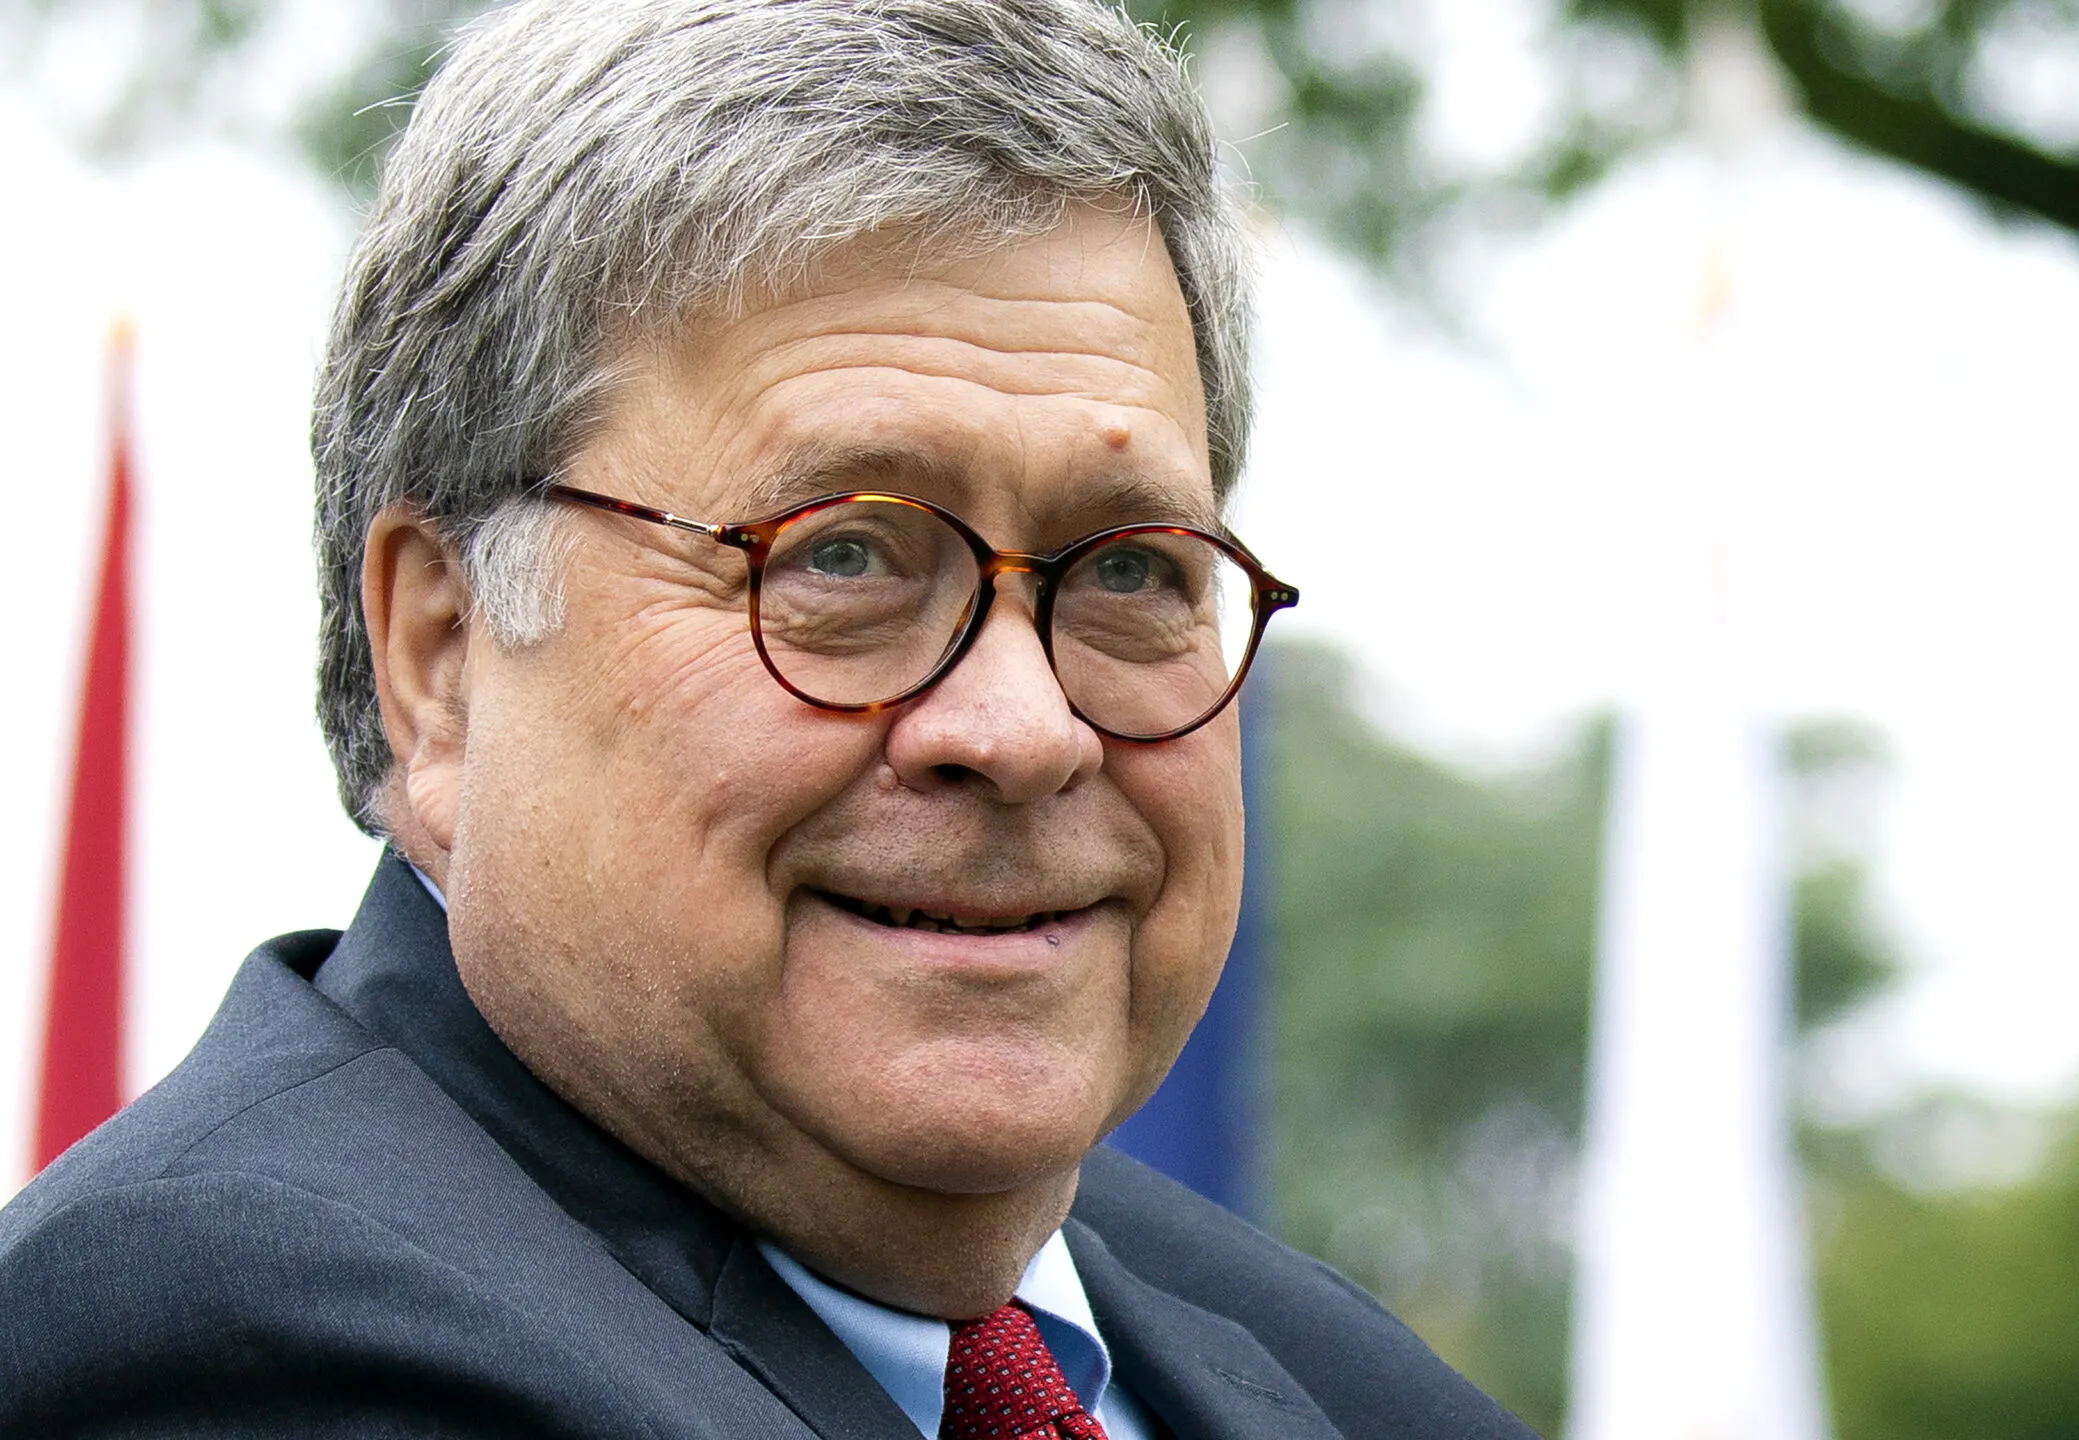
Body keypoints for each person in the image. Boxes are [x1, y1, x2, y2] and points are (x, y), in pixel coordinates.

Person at [0, 2, 1536, 1435]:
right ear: (443, 654)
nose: (1022, 728)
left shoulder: (1336, 1376)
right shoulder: (230, 1341)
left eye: (1131, 569)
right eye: (844, 557)